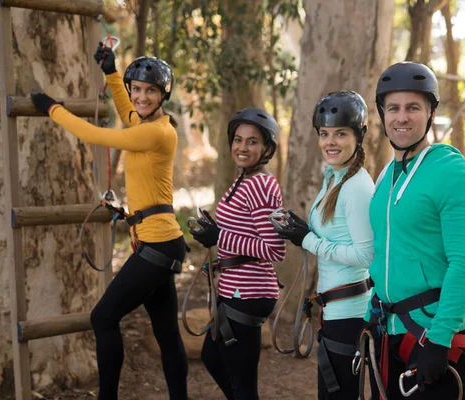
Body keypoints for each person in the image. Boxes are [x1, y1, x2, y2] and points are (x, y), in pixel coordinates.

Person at [30, 45, 188, 400]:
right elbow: (128, 112)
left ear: (164, 95)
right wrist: (113, 74)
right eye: (137, 89)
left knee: (103, 318)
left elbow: (95, 135)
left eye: (150, 91)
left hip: (159, 243)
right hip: (157, 241)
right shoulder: (146, 124)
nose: (141, 97)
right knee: (166, 334)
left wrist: (52, 109)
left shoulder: (157, 132)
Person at [365, 61, 465, 400]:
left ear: (431, 112)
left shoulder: (455, 175)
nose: (401, 117)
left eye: (412, 107)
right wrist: (368, 315)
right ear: (382, 113)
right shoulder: (387, 175)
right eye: (393, 108)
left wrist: (439, 338)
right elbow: (386, 253)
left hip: (433, 335)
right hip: (386, 332)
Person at [274, 91, 375, 399]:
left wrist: (308, 239)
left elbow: (365, 254)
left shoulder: (356, 186)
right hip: (335, 310)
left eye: (340, 134)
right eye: (324, 134)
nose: (330, 142)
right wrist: (301, 228)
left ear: (358, 136)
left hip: (350, 313)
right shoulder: (335, 177)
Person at [189, 108, 286, 400]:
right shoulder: (245, 178)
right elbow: (246, 233)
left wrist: (220, 236)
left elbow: (274, 248)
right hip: (235, 288)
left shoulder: (261, 184)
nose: (243, 147)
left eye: (253, 141)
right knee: (212, 356)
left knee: (243, 384)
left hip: (249, 293)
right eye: (238, 140)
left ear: (267, 147)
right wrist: (218, 239)